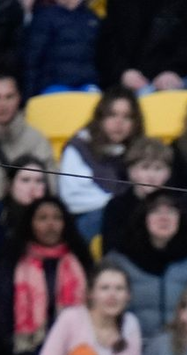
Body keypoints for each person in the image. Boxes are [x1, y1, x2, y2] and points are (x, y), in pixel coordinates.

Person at [0, 196, 91, 355]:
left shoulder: (80, 261)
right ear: (30, 224)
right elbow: (2, 316)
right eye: (42, 218)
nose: (50, 225)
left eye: (56, 218)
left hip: (74, 353)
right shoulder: (12, 262)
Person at [105, 193, 187, 340]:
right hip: (130, 344)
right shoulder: (119, 260)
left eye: (171, 212)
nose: (164, 218)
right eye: (155, 211)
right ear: (143, 217)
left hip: (183, 347)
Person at [33, 261, 141, 355]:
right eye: (104, 288)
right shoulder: (70, 319)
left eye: (119, 289)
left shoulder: (131, 324)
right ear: (91, 293)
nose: (112, 295)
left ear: (128, 296)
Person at [58, 86, 144, 241]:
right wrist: (118, 204)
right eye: (112, 115)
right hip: (88, 219)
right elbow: (72, 198)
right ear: (101, 118)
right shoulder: (79, 147)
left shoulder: (140, 150)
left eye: (127, 117)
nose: (119, 123)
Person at [97, 0, 187, 94]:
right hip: (127, 75)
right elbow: (109, 43)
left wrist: (173, 71)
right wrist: (123, 73)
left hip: (178, 74)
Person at [0, 73, 52, 206]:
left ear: (19, 98)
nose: (3, 104)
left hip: (29, 220)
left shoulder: (36, 139)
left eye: (9, 96)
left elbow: (51, 187)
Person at [99, 137, 173, 256]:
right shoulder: (116, 206)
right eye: (145, 167)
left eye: (158, 168)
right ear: (131, 171)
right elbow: (110, 250)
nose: (151, 175)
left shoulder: (178, 205)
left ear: (168, 173)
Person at [0, 154, 47, 273]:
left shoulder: (56, 216)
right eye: (25, 180)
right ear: (10, 185)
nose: (33, 187)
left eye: (39, 181)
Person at [22, 0, 101, 98]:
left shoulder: (92, 18)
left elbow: (101, 58)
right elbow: (32, 59)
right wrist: (29, 95)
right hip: (53, 86)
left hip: (88, 85)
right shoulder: (45, 17)